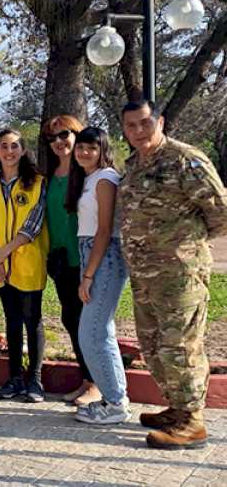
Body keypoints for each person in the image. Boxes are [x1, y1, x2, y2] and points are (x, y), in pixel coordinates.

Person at [118, 99, 227, 449]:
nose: (138, 131)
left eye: (144, 123)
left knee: (180, 345)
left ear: (160, 121)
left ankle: (192, 421)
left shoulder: (185, 159)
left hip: (179, 273)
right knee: (152, 345)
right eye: (131, 126)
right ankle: (177, 408)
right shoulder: (134, 164)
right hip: (145, 274)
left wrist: (185, 244)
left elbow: (220, 211)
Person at [66, 128, 130, 425]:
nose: (84, 153)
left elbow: (105, 230)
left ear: (102, 149)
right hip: (89, 251)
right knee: (100, 332)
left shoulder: (106, 178)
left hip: (102, 255)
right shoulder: (89, 178)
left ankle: (115, 402)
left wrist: (88, 276)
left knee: (92, 334)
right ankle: (114, 399)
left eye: (91, 148)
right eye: (80, 147)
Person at [0, 128, 49, 402]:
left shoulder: (37, 182)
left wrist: (2, 254)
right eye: (4, 146)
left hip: (27, 262)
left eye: (15, 146)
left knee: (32, 320)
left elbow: (32, 225)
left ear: (23, 150)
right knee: (11, 320)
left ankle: (35, 379)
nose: (9, 151)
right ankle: (14, 378)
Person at [42, 114, 98, 406]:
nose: (58, 142)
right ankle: (87, 379)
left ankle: (98, 383)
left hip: (86, 261)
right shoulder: (51, 176)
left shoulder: (89, 174)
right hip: (61, 262)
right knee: (71, 319)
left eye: (64, 135)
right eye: (52, 138)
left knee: (90, 323)